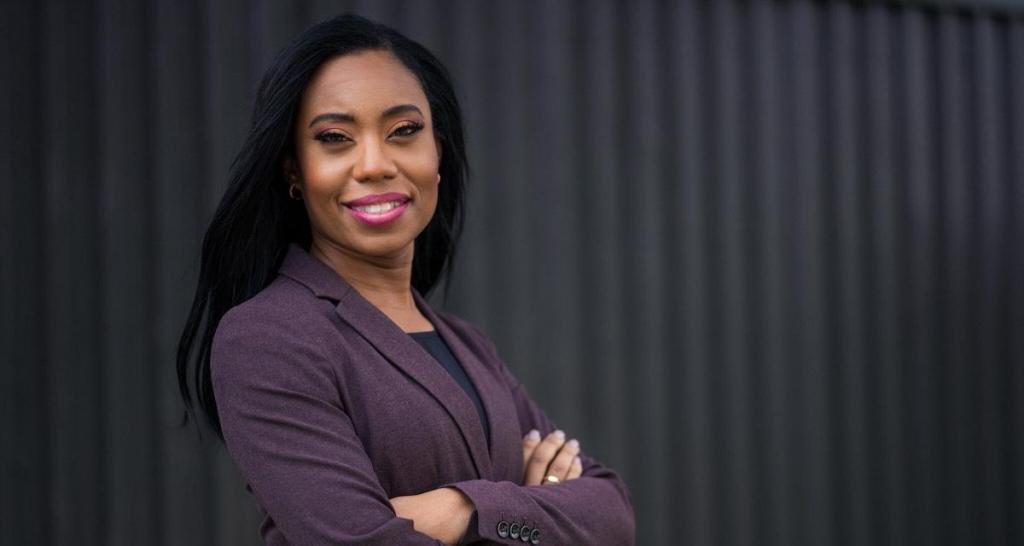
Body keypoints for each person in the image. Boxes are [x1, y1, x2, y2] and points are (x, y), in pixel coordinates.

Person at [176, 13, 635, 545]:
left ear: (436, 153)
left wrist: (464, 510)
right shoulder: (270, 338)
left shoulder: (466, 345)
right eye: (335, 138)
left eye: (404, 131)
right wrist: (540, 514)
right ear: (294, 171)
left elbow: (612, 513)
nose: (374, 164)